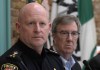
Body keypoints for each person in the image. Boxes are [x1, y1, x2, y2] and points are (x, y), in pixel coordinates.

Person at [0, 2, 65, 70]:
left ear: (49, 28)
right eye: (31, 23)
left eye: (42, 23)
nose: (37, 30)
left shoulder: (55, 59)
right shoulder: (10, 63)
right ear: (18, 28)